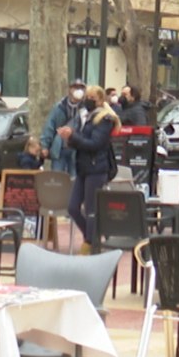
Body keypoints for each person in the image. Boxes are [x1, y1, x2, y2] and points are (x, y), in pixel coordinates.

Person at [63, 85, 120, 251]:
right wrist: (70, 138)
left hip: (96, 168)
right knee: (73, 207)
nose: (88, 100)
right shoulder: (85, 116)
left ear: (101, 100)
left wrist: (74, 137)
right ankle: (92, 237)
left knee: (91, 210)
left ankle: (90, 243)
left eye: (92, 98)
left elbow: (95, 144)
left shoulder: (105, 119)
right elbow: (83, 140)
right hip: (83, 167)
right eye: (87, 97)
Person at [40, 78, 85, 176]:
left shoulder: (85, 108)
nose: (78, 90)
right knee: (57, 178)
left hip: (77, 150)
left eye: (81, 88)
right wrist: (45, 146)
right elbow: (50, 126)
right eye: (75, 87)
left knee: (75, 179)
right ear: (70, 89)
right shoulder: (59, 106)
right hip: (59, 149)